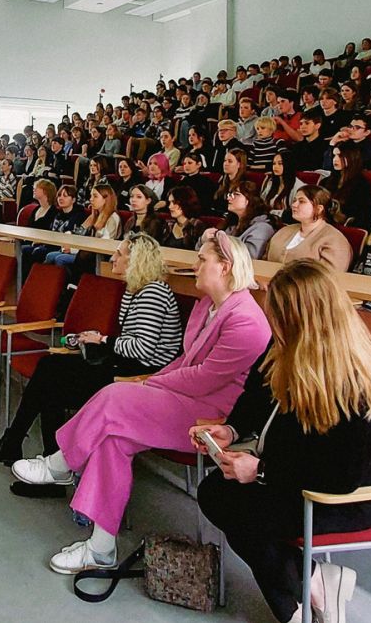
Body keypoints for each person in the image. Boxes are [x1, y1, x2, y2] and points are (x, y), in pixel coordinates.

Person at [14, 230, 271, 575]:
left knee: (115, 395)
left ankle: (61, 465)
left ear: (225, 267)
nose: (194, 266)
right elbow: (186, 362)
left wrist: (151, 381)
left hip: (213, 418)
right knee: (112, 438)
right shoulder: (208, 305)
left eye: (202, 260)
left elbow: (206, 378)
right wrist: (156, 382)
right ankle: (101, 549)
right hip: (186, 398)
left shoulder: (246, 319)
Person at [195, 258, 371, 623]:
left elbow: (342, 477)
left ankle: (298, 603)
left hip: (349, 496)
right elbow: (257, 392)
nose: (272, 325)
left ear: (303, 319)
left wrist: (261, 471)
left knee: (237, 509)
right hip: (301, 474)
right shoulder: (292, 343)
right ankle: (314, 584)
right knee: (218, 493)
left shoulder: (357, 383)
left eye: (278, 317)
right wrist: (234, 430)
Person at [0, 234, 186, 473]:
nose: (113, 257)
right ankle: (33, 455)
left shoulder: (153, 293)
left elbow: (142, 348)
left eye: (120, 254)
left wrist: (102, 339)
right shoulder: (136, 289)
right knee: (48, 369)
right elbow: (131, 342)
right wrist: (95, 339)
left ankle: (35, 458)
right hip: (124, 362)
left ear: (137, 261)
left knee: (49, 382)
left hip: (140, 373)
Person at [265, 186, 353, 271]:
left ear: (319, 209)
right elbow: (264, 261)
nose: (294, 205)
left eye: (302, 201)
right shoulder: (284, 231)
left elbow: (329, 277)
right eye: (294, 200)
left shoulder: (334, 241)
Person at [322, 143, 371, 229]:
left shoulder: (362, 185)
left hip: (345, 226)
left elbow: (360, 214)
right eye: (334, 155)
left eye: (340, 156)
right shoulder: (326, 181)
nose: (335, 159)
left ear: (351, 157)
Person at [224, 181, 277, 261]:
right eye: (230, 194)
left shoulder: (262, 228)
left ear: (249, 199)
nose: (229, 198)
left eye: (236, 194)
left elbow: (250, 257)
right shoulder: (233, 226)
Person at [163, 185, 205, 250]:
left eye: (174, 202)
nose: (170, 207)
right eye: (169, 202)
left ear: (185, 203)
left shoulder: (197, 226)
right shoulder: (168, 225)